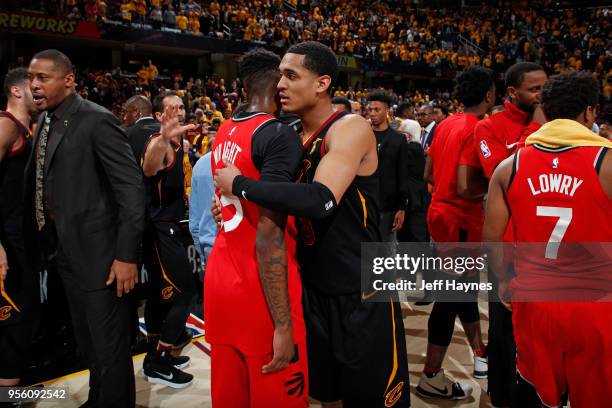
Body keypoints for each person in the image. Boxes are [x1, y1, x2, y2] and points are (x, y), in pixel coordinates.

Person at [215, 41, 410, 408]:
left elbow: (321, 200)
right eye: (279, 77)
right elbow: (274, 203)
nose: (280, 85)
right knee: (325, 396)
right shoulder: (287, 133)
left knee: (373, 399)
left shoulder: (349, 128)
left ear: (321, 84)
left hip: (361, 288)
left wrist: (240, 186)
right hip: (312, 287)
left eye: (291, 76)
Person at [483, 71, 612, 408]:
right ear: (589, 113)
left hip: (534, 302)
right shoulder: (607, 162)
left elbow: (492, 241)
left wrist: (505, 280)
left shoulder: (509, 166)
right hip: (595, 307)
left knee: (539, 397)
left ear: (547, 110)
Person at [25, 49, 144, 407]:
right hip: (66, 254)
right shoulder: (46, 120)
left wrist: (126, 256)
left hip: (103, 260)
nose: (34, 85)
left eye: (42, 78)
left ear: (69, 79)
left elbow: (131, 190)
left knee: (109, 349)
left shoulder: (96, 120)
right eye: (30, 78)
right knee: (89, 344)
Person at [204, 48, 308, 407]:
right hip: (261, 289)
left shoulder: (225, 128)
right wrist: (282, 324)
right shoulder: (277, 135)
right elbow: (269, 234)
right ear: (277, 81)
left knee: (230, 397)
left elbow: (225, 200)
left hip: (220, 278)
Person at [418, 66, 495, 400]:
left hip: (440, 214)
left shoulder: (447, 123)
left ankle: (480, 351)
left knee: (460, 290)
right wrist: (497, 183)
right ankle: (432, 376)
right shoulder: (480, 128)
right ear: (490, 95)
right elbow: (466, 188)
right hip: (461, 219)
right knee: (449, 298)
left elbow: (428, 172)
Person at [473, 61, 548, 408]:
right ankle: (501, 397)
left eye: (544, 88)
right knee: (503, 331)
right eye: (534, 89)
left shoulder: (556, 125)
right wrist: (536, 126)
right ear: (512, 93)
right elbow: (499, 173)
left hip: (544, 248)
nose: (541, 95)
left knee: (541, 331)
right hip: (505, 248)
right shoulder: (488, 127)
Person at [140, 90, 196, 388]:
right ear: (160, 116)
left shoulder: (179, 141)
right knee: (183, 293)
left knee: (160, 294)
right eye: (171, 108)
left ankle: (156, 357)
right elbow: (149, 168)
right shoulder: (158, 142)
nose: (178, 111)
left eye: (181, 106)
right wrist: (162, 137)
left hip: (170, 225)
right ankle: (158, 360)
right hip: (161, 229)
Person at [0, 67, 38, 389]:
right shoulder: (5, 125)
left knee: (25, 316)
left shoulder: (28, 129)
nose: (38, 87)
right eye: (32, 83)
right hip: (6, 241)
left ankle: (12, 388)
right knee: (13, 319)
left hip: (22, 238)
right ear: (15, 91)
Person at [367, 90, 409, 241]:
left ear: (387, 111)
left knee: (385, 253)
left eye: (377, 109)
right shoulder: (362, 136)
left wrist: (402, 208)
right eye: (370, 109)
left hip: (388, 207)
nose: (372, 113)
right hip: (365, 205)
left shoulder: (398, 139)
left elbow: (403, 175)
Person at [189, 130, 216, 264]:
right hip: (239, 248)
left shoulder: (199, 165)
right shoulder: (240, 159)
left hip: (210, 246)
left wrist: (202, 251)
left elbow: (194, 219)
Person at [123, 94, 156, 165]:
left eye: (126, 112)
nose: (124, 118)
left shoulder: (126, 133)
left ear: (135, 112)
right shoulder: (167, 130)